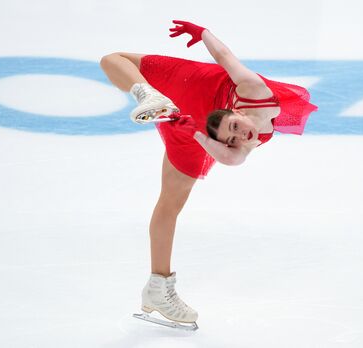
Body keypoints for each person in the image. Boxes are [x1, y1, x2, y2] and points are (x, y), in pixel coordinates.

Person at [99, 20, 317, 330]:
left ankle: (159, 286)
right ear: (236, 110)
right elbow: (225, 56)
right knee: (111, 59)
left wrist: (196, 133)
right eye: (236, 130)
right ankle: (148, 94)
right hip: (195, 85)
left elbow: (231, 156)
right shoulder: (255, 90)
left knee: (170, 203)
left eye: (235, 136)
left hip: (192, 123)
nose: (242, 135)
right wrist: (203, 34)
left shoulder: (229, 139)